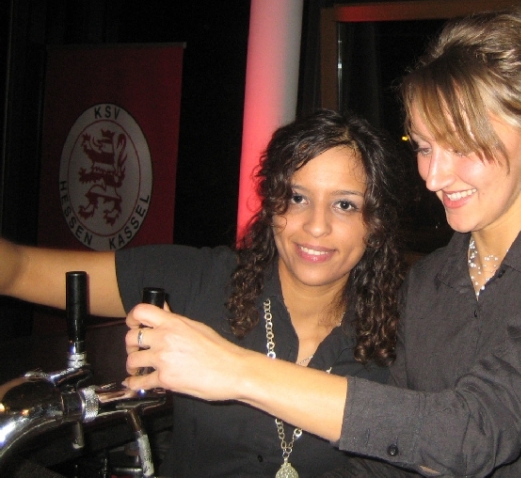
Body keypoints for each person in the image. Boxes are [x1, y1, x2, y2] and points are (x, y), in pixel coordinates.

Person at [124, 8, 521, 477]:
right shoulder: (428, 284)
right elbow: (388, 461)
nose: (434, 177)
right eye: (424, 147)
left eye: (462, 146)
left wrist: (235, 370)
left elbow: (469, 433)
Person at [0, 109, 407, 477]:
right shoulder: (204, 280)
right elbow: (19, 269)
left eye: (345, 205)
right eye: (297, 197)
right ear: (271, 205)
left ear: (376, 224)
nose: (316, 226)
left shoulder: (405, 331)